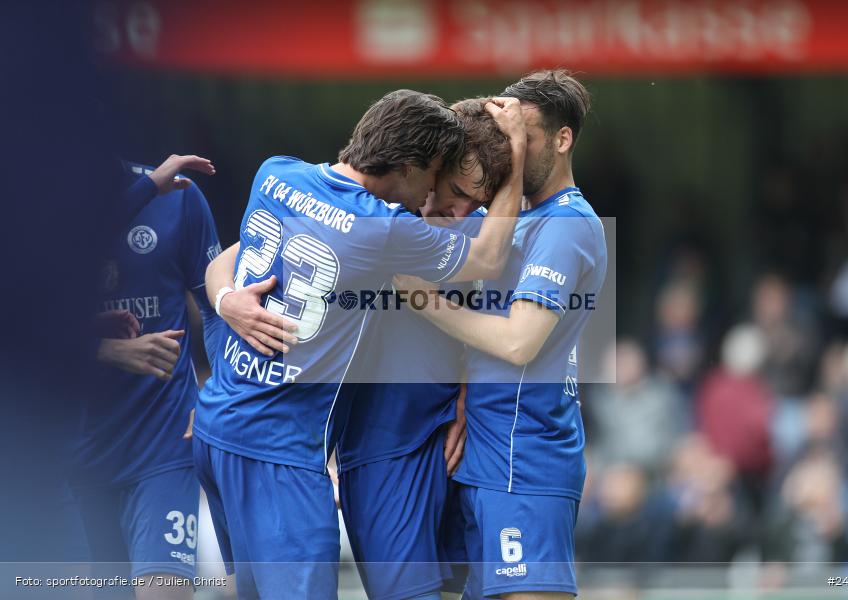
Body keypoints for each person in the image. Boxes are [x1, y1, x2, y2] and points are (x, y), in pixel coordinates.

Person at [195, 89, 525, 599]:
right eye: (437, 178)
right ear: (412, 165)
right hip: (281, 450)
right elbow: (487, 259)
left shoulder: (276, 172)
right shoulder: (384, 228)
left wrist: (225, 301)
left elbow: (225, 261)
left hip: (220, 422)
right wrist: (517, 158)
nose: (435, 193)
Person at [395, 69, 605, 599]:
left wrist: (423, 300)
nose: (510, 151)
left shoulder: (568, 224)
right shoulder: (506, 219)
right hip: (480, 458)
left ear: (562, 139)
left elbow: (518, 341)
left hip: (526, 463)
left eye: (523, 137)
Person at [71, 157, 221, 600]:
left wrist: (217, 392)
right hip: (65, 457)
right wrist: (105, 350)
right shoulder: (33, 207)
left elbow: (216, 307)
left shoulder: (179, 197)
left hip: (162, 445)